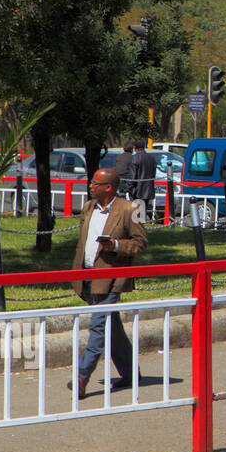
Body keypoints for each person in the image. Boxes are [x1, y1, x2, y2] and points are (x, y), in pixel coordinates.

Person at [69, 168, 149, 395]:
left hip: (111, 278)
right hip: (87, 276)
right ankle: (131, 373)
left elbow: (141, 243)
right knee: (110, 325)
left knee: (98, 326)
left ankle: (82, 377)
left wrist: (115, 245)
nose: (90, 186)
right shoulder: (88, 207)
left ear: (109, 188)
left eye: (95, 183)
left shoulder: (132, 208)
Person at [129, 140, 157, 220]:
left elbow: (133, 176)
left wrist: (129, 188)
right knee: (143, 212)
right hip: (148, 189)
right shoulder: (151, 158)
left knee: (135, 215)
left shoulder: (135, 158)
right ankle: (141, 228)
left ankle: (137, 230)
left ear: (135, 148)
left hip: (137, 190)